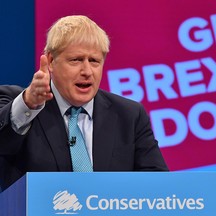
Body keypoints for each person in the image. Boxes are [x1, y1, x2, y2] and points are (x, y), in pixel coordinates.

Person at [0, 15, 168, 191]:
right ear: (50, 61)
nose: (87, 71)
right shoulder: (15, 102)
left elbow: (158, 186)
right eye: (76, 60)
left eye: (94, 61)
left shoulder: (129, 114)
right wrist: (29, 103)